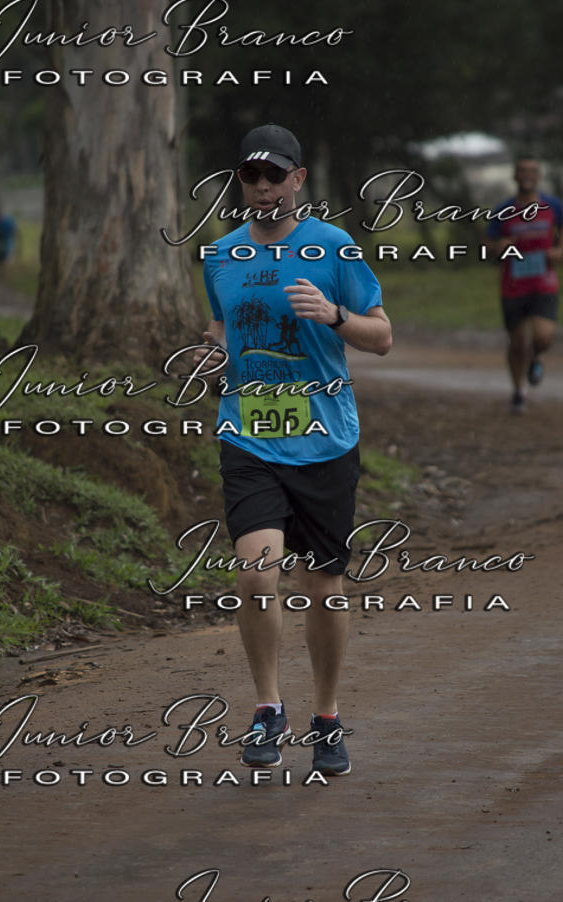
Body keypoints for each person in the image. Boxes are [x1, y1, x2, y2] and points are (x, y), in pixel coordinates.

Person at [194, 124, 391, 776]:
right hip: (249, 434)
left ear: (298, 180)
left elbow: (382, 337)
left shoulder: (334, 247)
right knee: (256, 573)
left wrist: (335, 316)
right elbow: (221, 331)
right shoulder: (220, 255)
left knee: (323, 585)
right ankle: (267, 708)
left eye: (274, 175)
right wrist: (210, 357)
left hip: (324, 438)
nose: (262, 188)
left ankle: (327, 717)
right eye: (251, 176)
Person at [487, 157, 563, 413]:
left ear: (538, 175)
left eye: (532, 171)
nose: (527, 175)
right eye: (522, 171)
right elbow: (487, 246)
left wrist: (557, 253)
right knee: (517, 342)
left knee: (543, 336)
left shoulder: (553, 206)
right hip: (513, 286)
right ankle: (519, 392)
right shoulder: (503, 210)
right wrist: (500, 247)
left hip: (544, 282)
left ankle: (537, 357)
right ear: (515, 176)